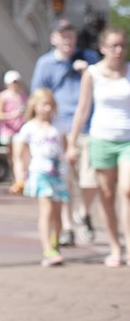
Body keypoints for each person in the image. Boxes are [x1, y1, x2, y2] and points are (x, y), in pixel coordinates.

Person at [30, 18, 100, 245]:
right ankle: (68, 225)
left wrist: (86, 73)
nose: (67, 39)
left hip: (88, 126)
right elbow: (39, 95)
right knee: (65, 180)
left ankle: (84, 212)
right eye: (63, 35)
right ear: (54, 39)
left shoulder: (88, 59)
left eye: (70, 35)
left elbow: (103, 85)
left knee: (90, 180)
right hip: (60, 129)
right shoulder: (46, 63)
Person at [68, 25, 130, 268]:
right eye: (113, 45)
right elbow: (82, 109)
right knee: (106, 195)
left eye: (122, 45)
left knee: (127, 190)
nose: (118, 50)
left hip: (128, 138)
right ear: (103, 48)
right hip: (101, 137)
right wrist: (72, 143)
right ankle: (115, 246)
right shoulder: (92, 73)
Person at [12, 89, 69, 267]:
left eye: (49, 105)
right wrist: (20, 176)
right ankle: (47, 248)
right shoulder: (29, 127)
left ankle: (55, 242)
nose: (46, 108)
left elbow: (65, 148)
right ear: (34, 106)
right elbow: (19, 155)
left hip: (58, 173)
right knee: (47, 210)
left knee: (58, 214)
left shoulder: (58, 125)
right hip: (40, 171)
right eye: (43, 104)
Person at [0, 69, 27, 146]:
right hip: (7, 130)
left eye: (17, 82)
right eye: (13, 82)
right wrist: (13, 115)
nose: (15, 85)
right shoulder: (2, 96)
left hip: (20, 130)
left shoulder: (23, 96)